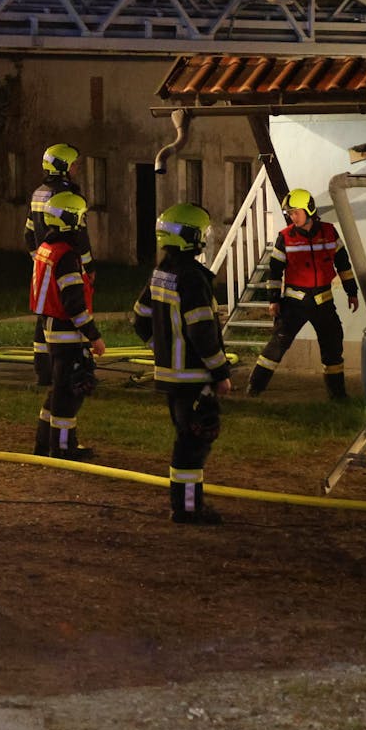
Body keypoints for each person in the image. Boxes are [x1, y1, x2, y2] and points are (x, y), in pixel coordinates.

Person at [132, 203, 233, 524]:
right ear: (191, 237)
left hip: (172, 377)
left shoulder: (162, 273)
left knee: (186, 439)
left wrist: (162, 350)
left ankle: (185, 505)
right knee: (194, 442)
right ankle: (189, 508)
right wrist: (220, 372)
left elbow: (140, 319)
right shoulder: (192, 278)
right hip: (194, 376)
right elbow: (203, 331)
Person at [247, 188, 359, 399]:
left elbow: (343, 264)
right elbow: (275, 272)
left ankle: (338, 395)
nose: (292, 216)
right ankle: (255, 387)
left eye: (295, 212)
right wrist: (273, 300)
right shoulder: (285, 237)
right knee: (277, 346)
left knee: (333, 347)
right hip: (294, 304)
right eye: (290, 213)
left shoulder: (329, 232)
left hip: (323, 302)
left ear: (309, 209)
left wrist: (351, 292)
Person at [30, 191, 105, 460]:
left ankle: (44, 442)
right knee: (70, 394)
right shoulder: (67, 256)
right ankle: (63, 448)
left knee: (59, 390)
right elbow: (73, 303)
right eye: (81, 218)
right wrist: (94, 336)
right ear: (72, 220)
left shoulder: (47, 248)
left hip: (52, 330)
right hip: (68, 335)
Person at [24, 143, 92, 386]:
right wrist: (88, 267)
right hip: (66, 262)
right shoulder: (68, 198)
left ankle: (43, 372)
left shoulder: (38, 193)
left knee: (44, 314)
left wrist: (39, 258)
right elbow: (80, 236)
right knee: (68, 312)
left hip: (44, 262)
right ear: (64, 166)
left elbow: (28, 232)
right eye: (75, 164)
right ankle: (73, 368)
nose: (77, 169)